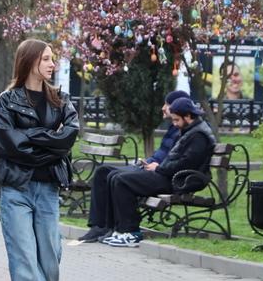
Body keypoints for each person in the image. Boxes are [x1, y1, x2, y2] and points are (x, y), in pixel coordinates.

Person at [0, 39, 80, 281]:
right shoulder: (8, 100)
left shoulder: (61, 100)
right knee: (25, 259)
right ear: (29, 61)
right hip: (17, 188)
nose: (51, 65)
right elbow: (8, 144)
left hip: (48, 189)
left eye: (52, 59)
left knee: (49, 263)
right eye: (45, 59)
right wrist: (47, 143)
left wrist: (32, 141)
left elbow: (68, 137)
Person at [99, 97, 215, 248]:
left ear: (188, 116)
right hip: (170, 176)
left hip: (180, 181)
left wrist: (159, 168)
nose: (174, 124)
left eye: (176, 120)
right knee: (115, 176)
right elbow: (177, 160)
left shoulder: (199, 136)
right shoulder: (189, 130)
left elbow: (185, 164)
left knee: (122, 180)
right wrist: (158, 166)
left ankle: (131, 231)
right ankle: (118, 230)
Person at [78, 90, 184, 243]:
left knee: (117, 177)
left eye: (167, 104)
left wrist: (157, 166)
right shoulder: (174, 128)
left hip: (162, 174)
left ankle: (120, 227)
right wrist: (148, 161)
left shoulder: (183, 130)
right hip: (151, 168)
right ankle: (99, 226)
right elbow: (163, 154)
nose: (163, 108)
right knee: (102, 172)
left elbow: (174, 159)